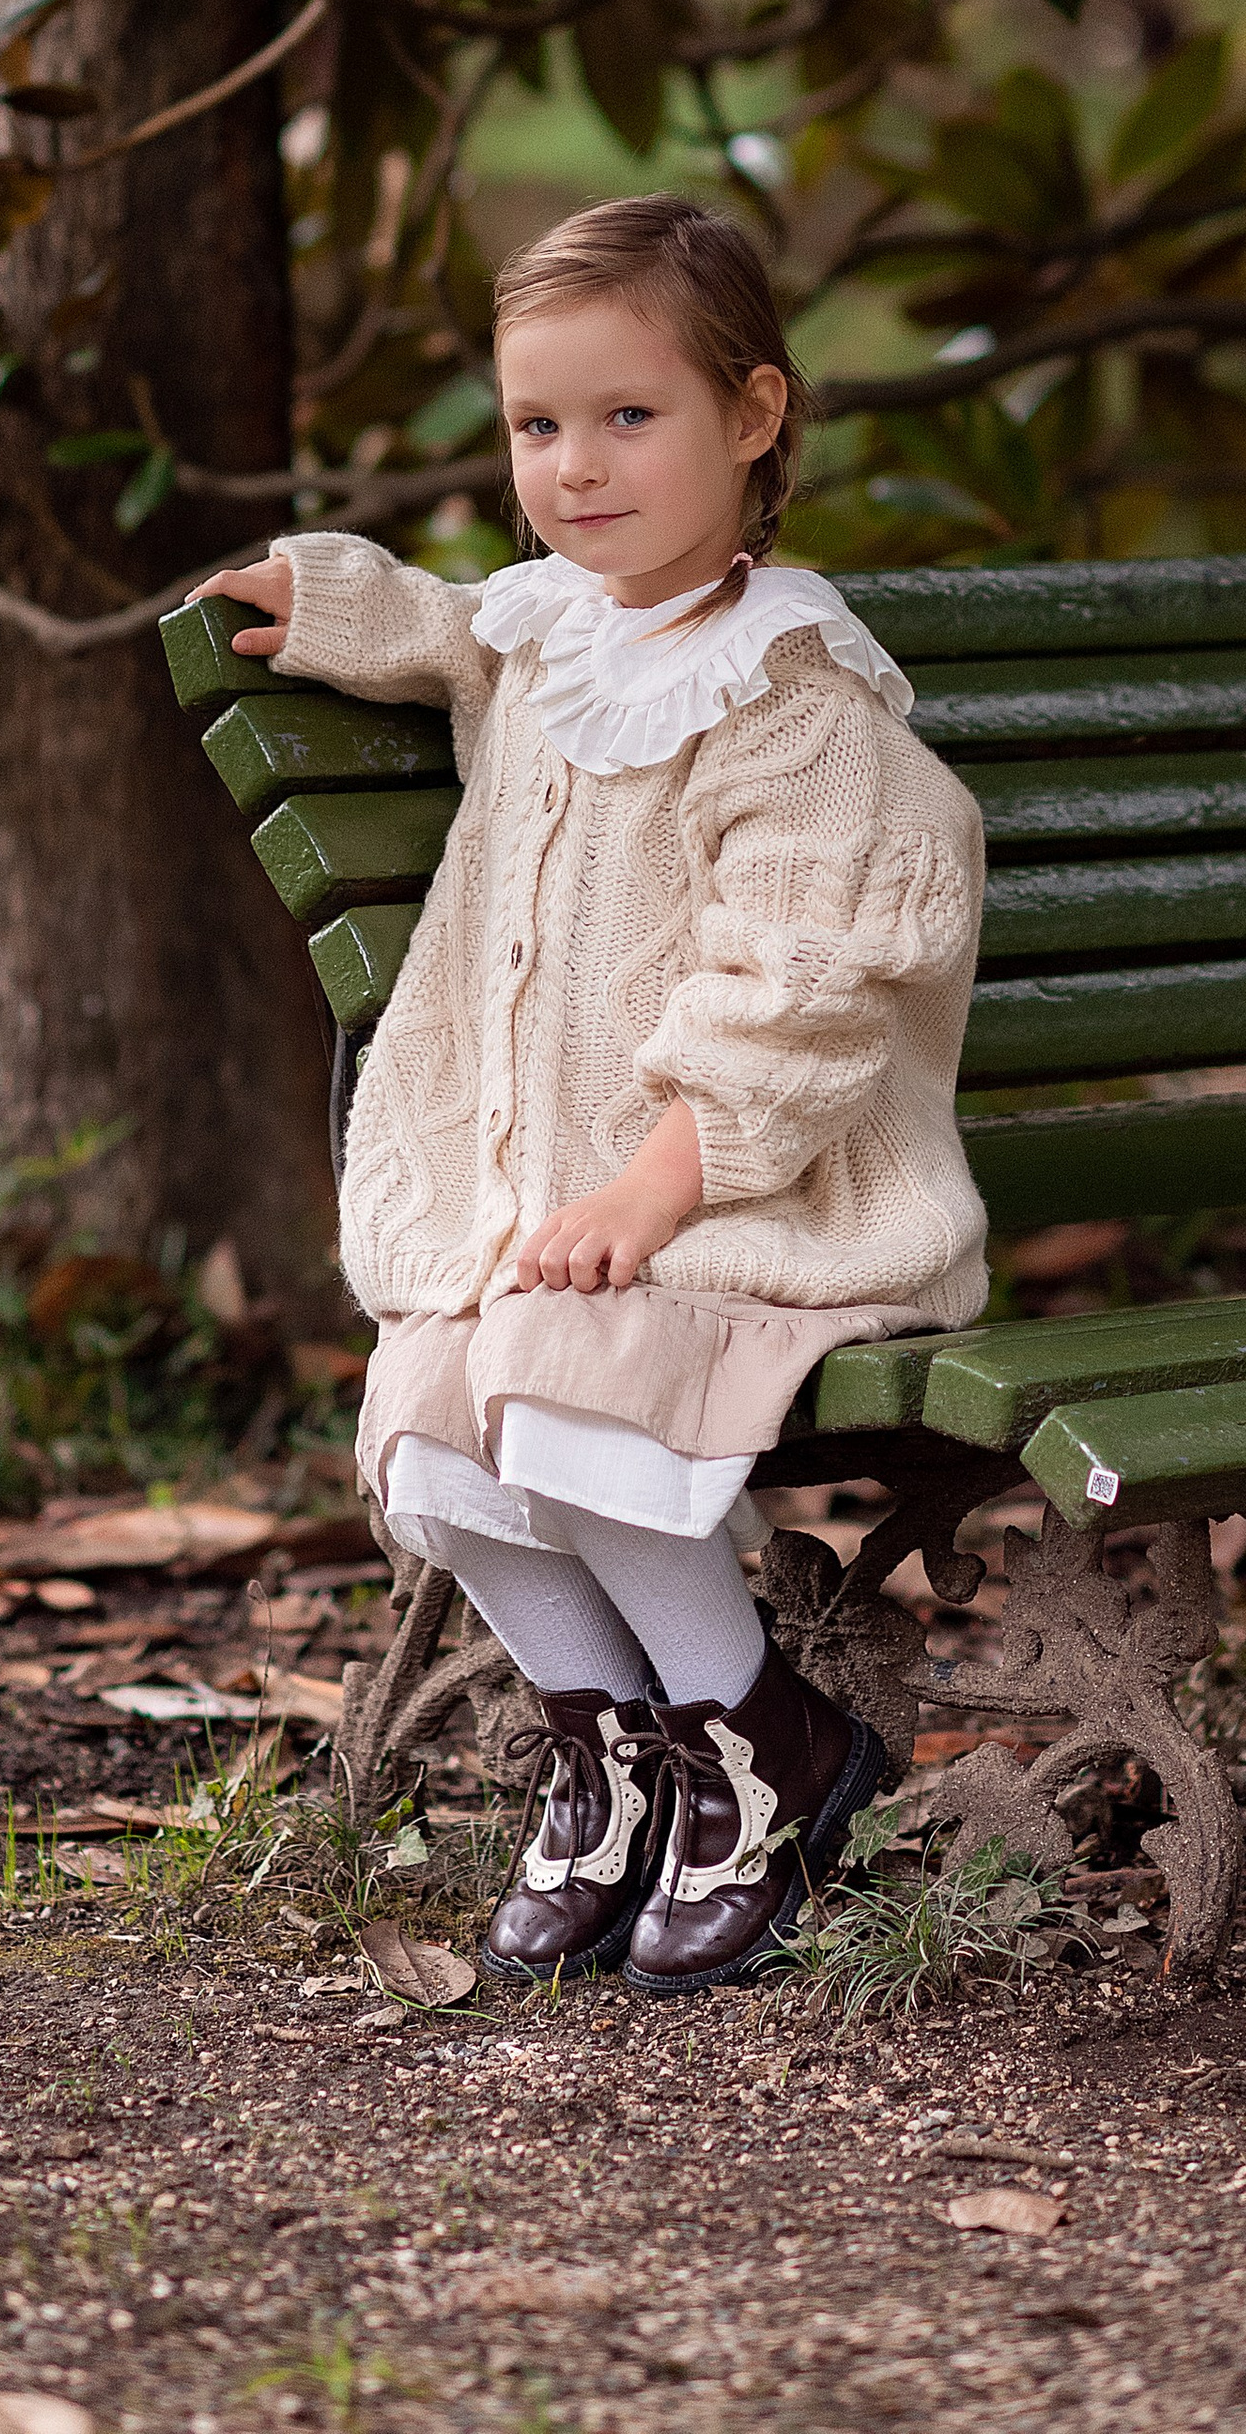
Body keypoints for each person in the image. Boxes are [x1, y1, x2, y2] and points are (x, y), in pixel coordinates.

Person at [194, 194, 987, 1996]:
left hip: (756, 1197)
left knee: (565, 1400)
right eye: (538, 427)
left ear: (755, 418)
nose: (577, 466)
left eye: (632, 418)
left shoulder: (790, 703)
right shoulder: (551, 633)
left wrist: (657, 1190)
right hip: (559, 1216)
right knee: (437, 1424)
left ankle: (758, 1742)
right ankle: (617, 1752)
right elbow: (444, 623)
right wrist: (314, 597)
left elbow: (804, 998)